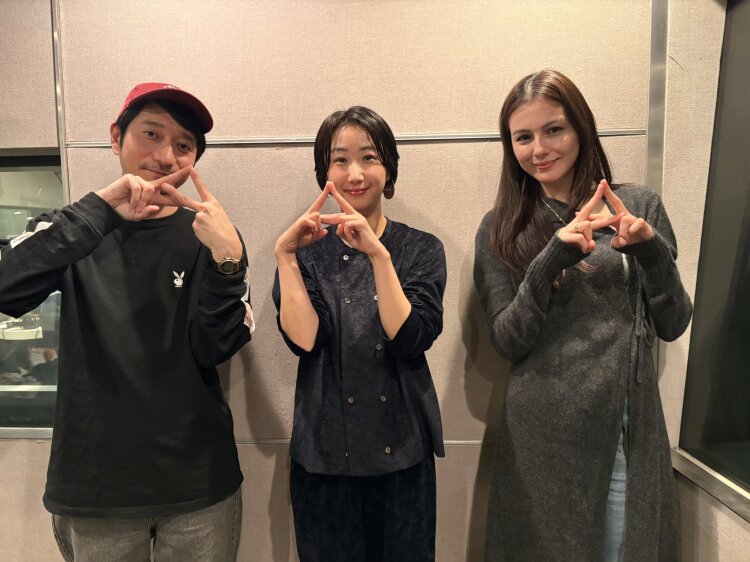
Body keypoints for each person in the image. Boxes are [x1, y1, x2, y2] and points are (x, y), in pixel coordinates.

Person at [0, 82, 254, 561]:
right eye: (151, 134)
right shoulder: (74, 227)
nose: (166, 155)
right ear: (116, 137)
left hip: (197, 482)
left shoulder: (211, 234)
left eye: (183, 145)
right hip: (95, 487)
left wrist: (228, 260)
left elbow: (217, 346)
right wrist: (97, 211)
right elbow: (6, 287)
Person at [473, 70, 693, 561]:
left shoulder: (636, 206)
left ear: (580, 128)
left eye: (554, 129)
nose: (539, 149)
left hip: (622, 423)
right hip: (541, 430)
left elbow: (674, 323)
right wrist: (550, 259)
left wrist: (652, 252)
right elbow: (508, 341)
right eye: (523, 137)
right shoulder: (500, 228)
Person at [272, 106, 446, 561]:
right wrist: (285, 257)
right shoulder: (305, 252)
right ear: (324, 173)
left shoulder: (420, 248)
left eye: (369, 157)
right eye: (340, 160)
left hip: (403, 454)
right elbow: (304, 340)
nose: (355, 173)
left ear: (388, 169)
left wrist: (379, 256)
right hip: (324, 457)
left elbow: (410, 338)